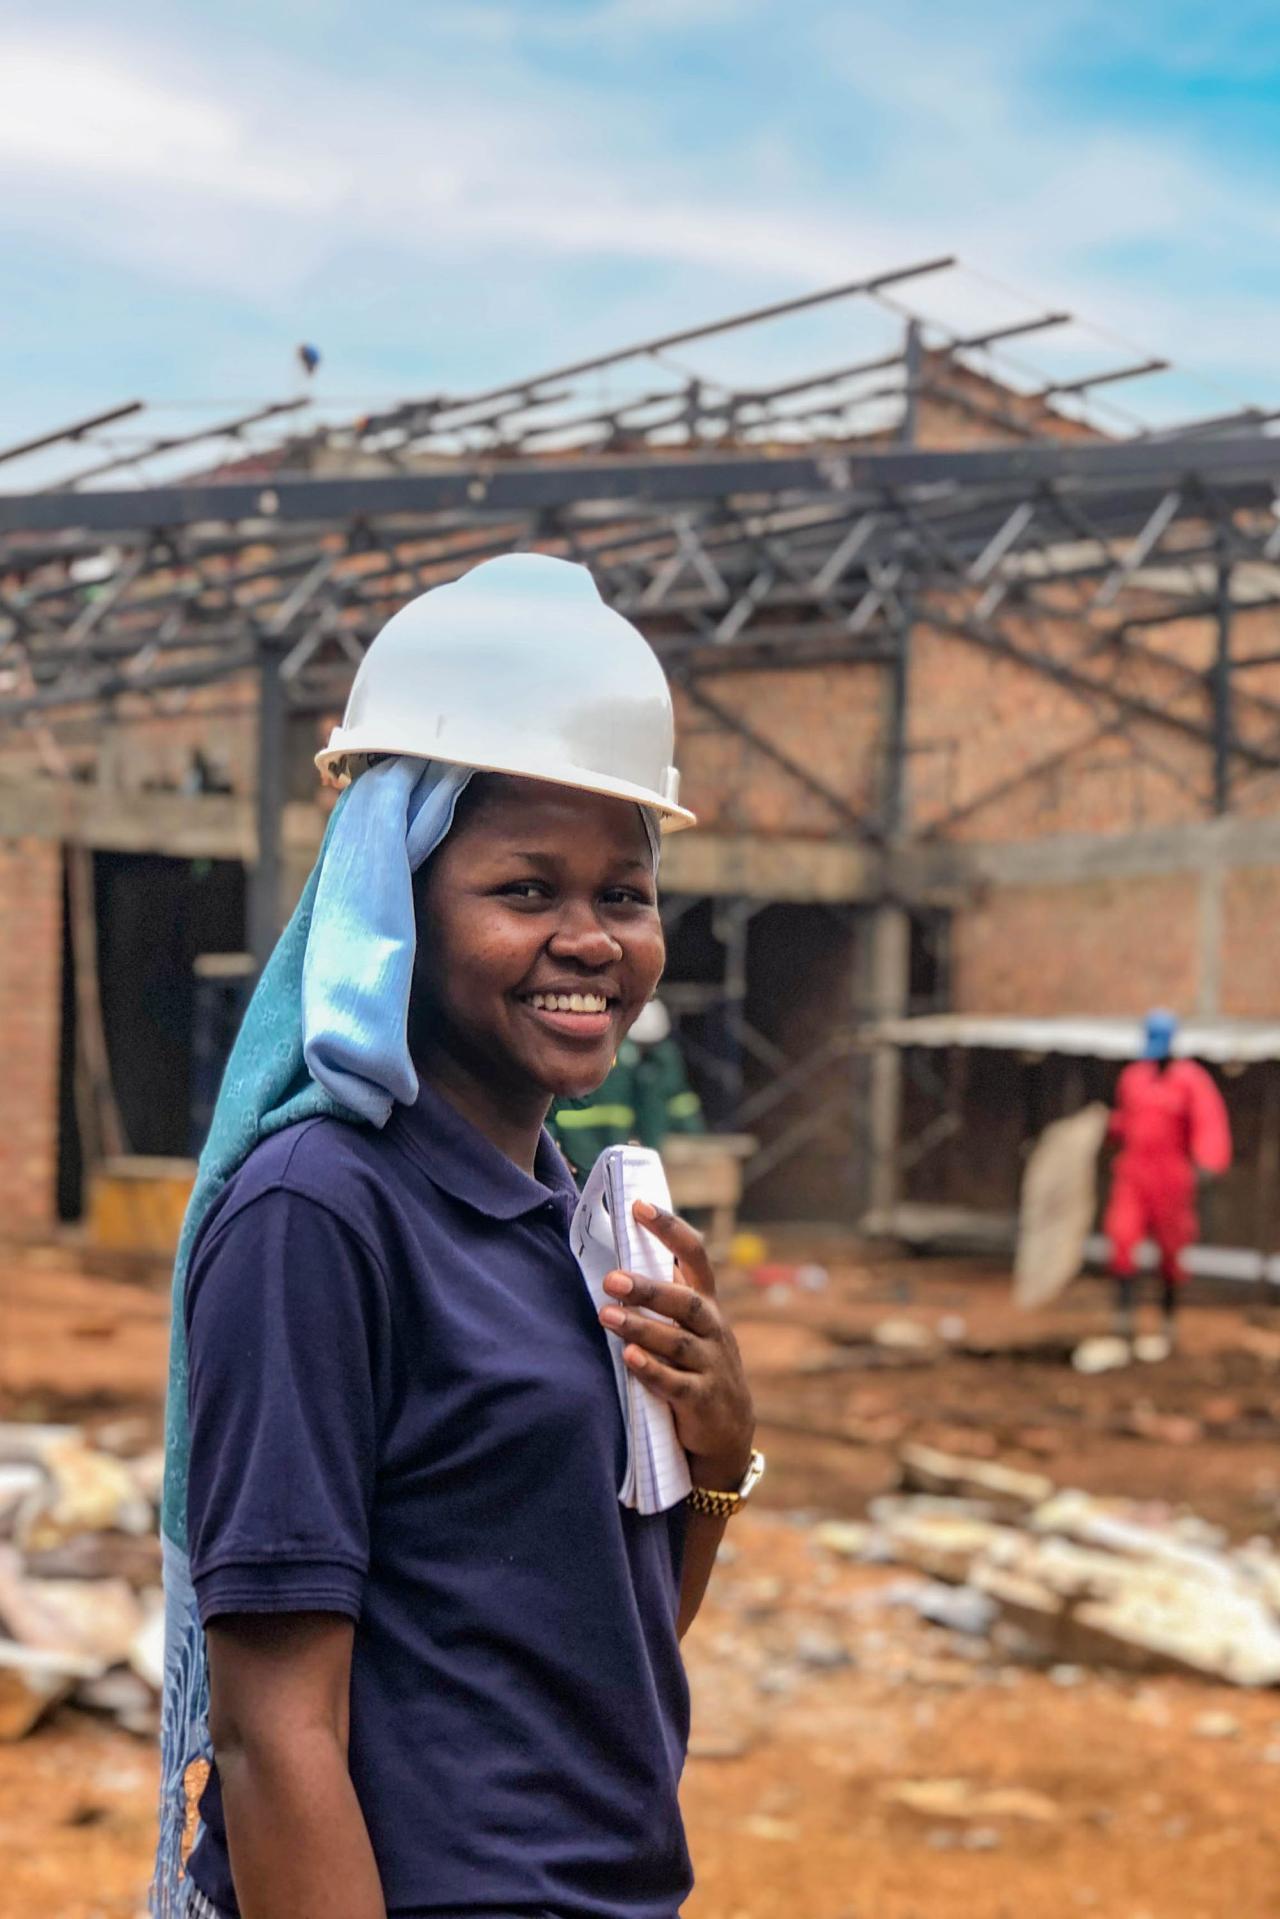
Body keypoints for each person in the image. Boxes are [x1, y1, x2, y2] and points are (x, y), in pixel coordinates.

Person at [153, 555, 763, 1919]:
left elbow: (592, 1659)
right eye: (527, 888)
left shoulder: (572, 1216)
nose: (590, 938)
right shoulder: (321, 1212)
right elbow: (274, 1729)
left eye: (625, 891)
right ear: (398, 904)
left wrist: (717, 1461)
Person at [1104, 1008, 1231, 1347]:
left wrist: (1208, 1161)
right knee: (1121, 1237)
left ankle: (1168, 1322)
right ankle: (1124, 1319)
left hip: (1171, 1176)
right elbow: (1124, 1122)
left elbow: (1209, 1122)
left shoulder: (1190, 1079)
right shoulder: (1133, 1077)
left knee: (1172, 1249)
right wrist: (1106, 1127)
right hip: (1134, 1172)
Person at [550, 995, 704, 1181]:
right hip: (600, 1148)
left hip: (585, 1147)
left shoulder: (643, 1063)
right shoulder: (646, 1063)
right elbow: (653, 1113)